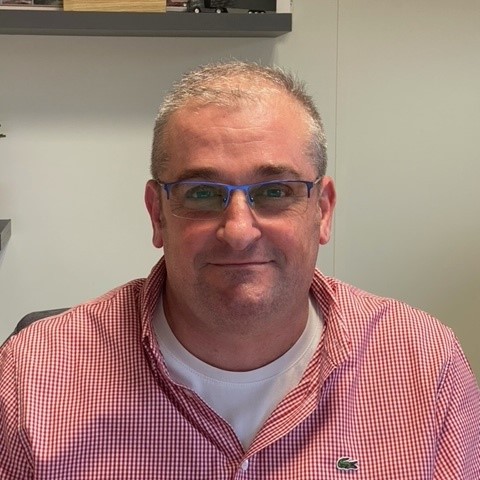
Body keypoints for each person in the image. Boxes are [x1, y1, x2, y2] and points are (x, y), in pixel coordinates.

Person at [0, 61, 478, 479]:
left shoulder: (424, 364)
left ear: (323, 211)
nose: (239, 231)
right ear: (157, 214)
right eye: (202, 194)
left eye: (275, 192)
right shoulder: (32, 378)